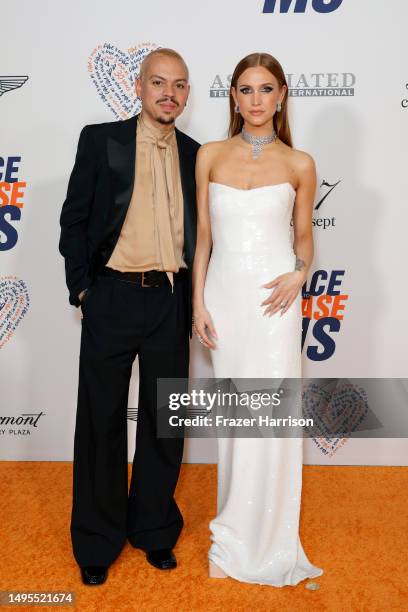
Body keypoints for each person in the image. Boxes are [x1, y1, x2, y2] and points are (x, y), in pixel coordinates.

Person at [59, 48, 200, 585]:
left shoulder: (195, 153)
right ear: (139, 87)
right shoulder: (101, 140)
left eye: (179, 85)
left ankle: (154, 530)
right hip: (112, 296)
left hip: (169, 299)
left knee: (166, 423)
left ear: (187, 94)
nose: (169, 93)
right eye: (159, 82)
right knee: (101, 421)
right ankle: (96, 539)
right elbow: (73, 220)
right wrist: (84, 292)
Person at [192, 52, 324, 586]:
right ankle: (233, 535)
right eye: (245, 90)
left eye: (265, 89)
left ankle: (268, 539)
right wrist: (197, 303)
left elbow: (305, 235)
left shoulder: (300, 163)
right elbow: (202, 238)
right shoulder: (209, 155)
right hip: (223, 298)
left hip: (276, 300)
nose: (255, 100)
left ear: (282, 95)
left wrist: (299, 272)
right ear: (233, 97)